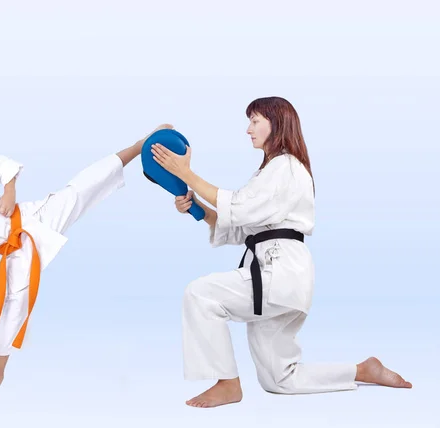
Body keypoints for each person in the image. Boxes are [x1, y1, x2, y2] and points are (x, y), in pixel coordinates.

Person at [150, 97, 411, 408]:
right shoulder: (273, 172)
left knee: (200, 294)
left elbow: (239, 207)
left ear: (277, 123)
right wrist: (197, 208)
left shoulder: (285, 166)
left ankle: (227, 383)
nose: (248, 129)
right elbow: (241, 227)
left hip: (278, 274)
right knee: (280, 380)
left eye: (255, 121)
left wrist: (186, 173)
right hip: (284, 277)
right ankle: (362, 370)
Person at [0, 124, 173, 399]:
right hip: (16, 251)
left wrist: (9, 191)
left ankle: (138, 146)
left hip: (33, 217)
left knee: (78, 189)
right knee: (13, 309)